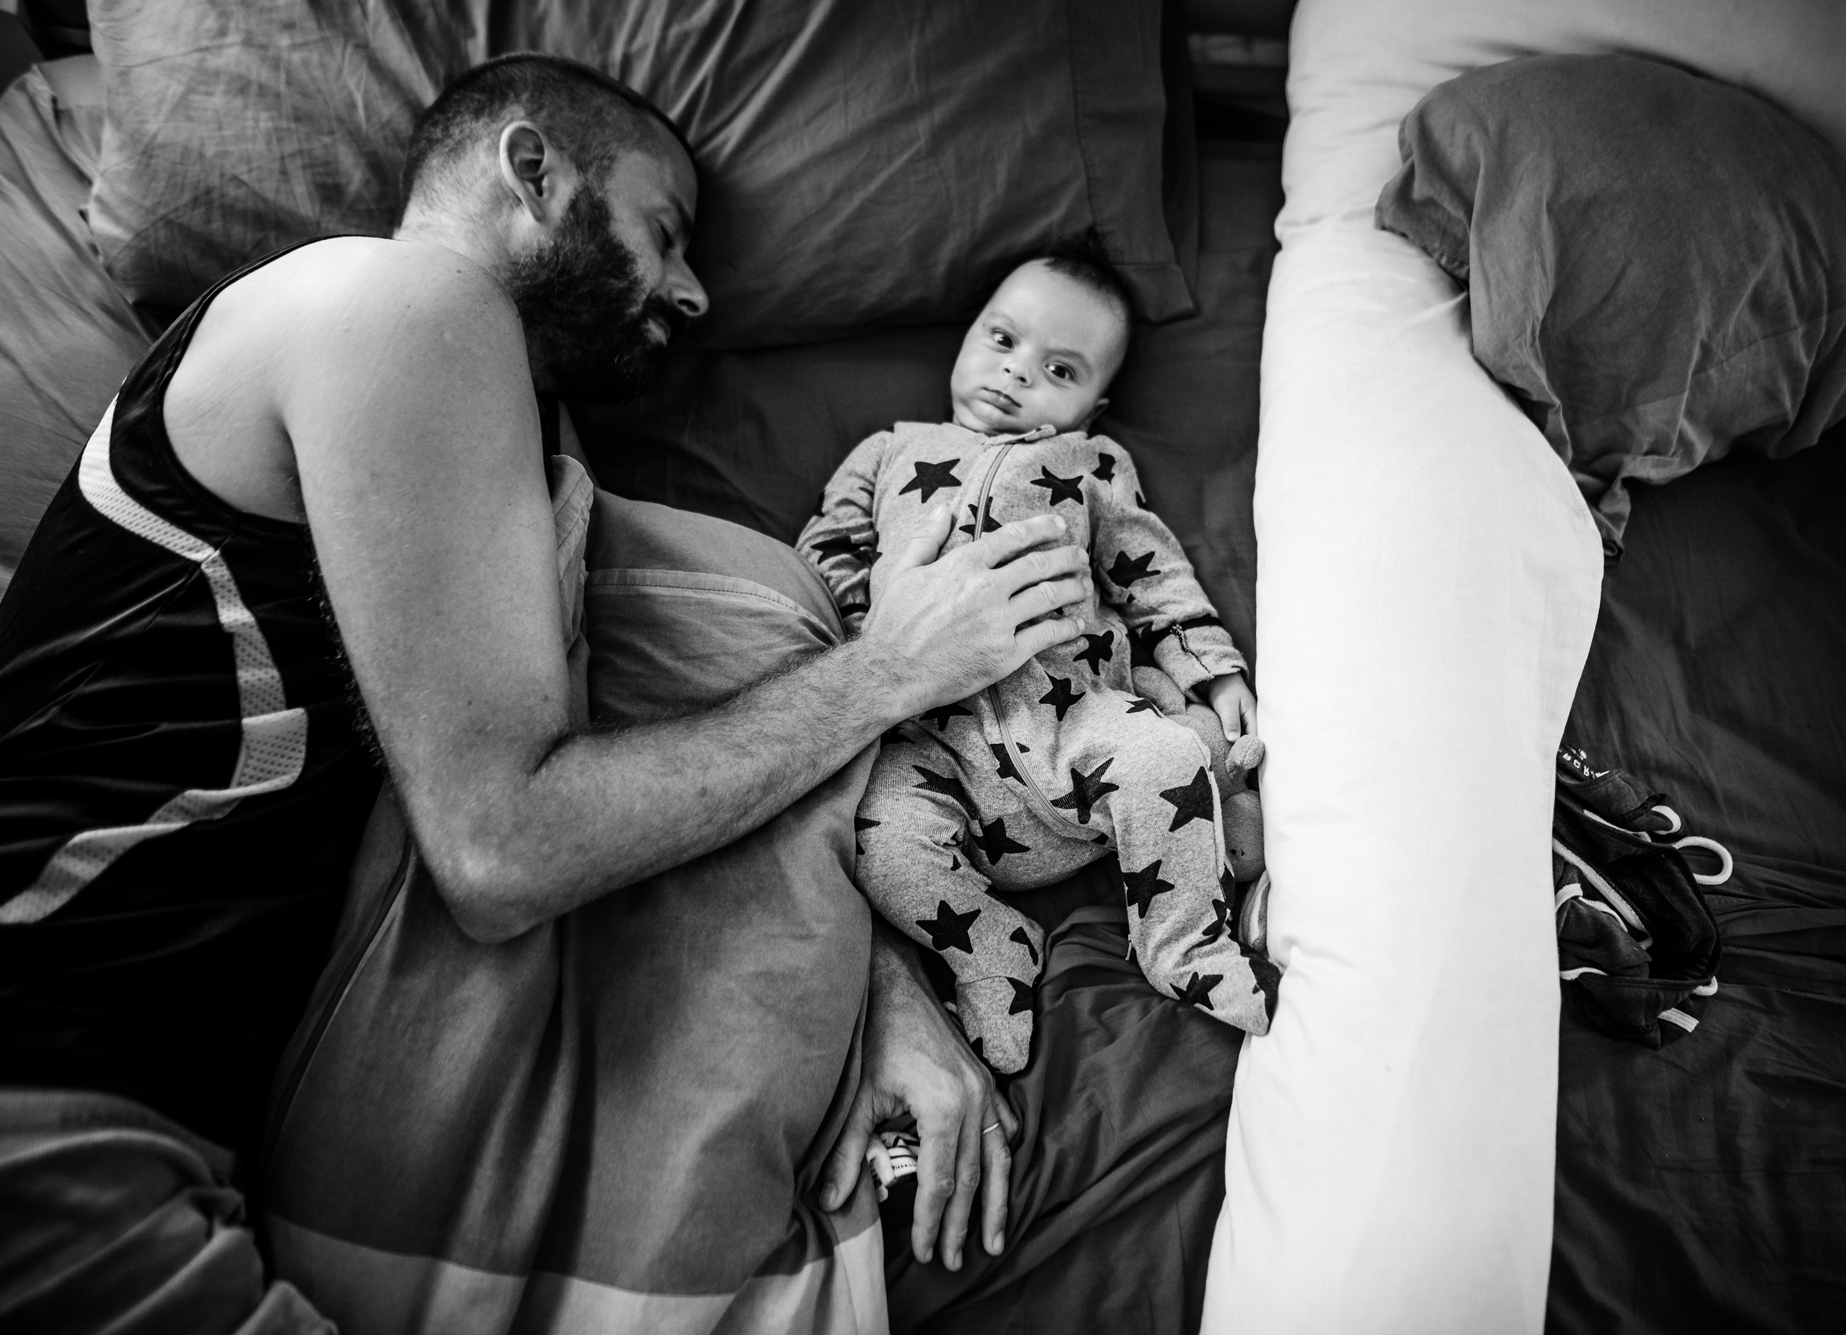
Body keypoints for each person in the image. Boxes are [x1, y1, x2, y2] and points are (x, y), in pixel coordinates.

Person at [0, 52, 1088, 1327]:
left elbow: (611, 771)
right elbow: (503, 844)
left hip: (167, 1140)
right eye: (662, 231)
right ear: (531, 171)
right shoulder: (399, 301)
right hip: (46, 1098)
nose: (689, 292)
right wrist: (893, 666)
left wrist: (875, 996)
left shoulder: (500, 446)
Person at [797, 242, 1279, 1074]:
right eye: (1002, 339)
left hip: (1073, 724)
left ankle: (1182, 937)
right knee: (878, 838)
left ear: (1095, 403)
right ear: (969, 333)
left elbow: (1152, 573)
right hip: (931, 746)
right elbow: (821, 551)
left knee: (1164, 750)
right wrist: (865, 618)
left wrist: (1215, 665)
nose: (1017, 374)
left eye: (1059, 369)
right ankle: (990, 943)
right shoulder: (887, 452)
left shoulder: (1092, 466)